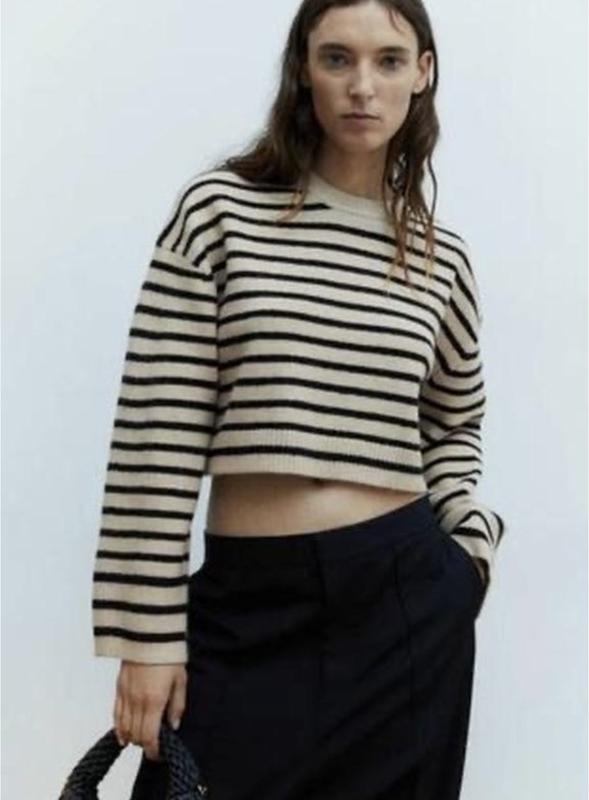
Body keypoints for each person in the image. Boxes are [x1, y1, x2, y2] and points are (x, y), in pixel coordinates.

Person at [91, 1, 506, 797]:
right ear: (302, 71)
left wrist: (468, 554)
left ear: (422, 74)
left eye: (389, 60)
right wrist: (147, 639)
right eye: (336, 58)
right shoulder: (218, 214)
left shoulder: (437, 257)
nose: (362, 86)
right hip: (249, 606)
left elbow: (454, 418)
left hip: (404, 604)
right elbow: (156, 433)